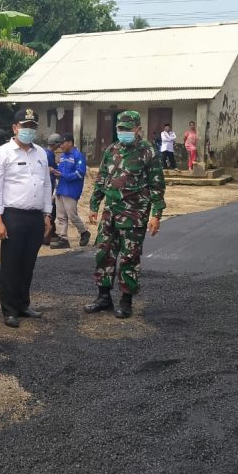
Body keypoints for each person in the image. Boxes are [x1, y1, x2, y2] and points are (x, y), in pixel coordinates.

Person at [84, 110, 166, 319]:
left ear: (138, 129)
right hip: (110, 213)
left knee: (129, 257)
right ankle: (103, 297)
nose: (124, 132)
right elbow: (102, 178)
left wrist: (156, 214)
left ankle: (126, 301)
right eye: (120, 129)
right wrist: (94, 205)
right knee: (104, 254)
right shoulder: (111, 150)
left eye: (128, 129)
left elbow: (157, 185)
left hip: (134, 214)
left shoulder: (148, 151)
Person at [0, 108, 53, 328]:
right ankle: (9, 309)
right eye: (25, 126)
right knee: (11, 264)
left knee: (28, 263)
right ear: (15, 128)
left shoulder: (41, 153)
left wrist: (47, 214)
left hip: (35, 216)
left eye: (32, 127)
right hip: (12, 215)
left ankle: (23, 304)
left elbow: (46, 185)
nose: (28, 130)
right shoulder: (2, 154)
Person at [50, 132, 91, 249]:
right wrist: (55, 171)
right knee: (61, 216)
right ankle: (63, 238)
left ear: (70, 143)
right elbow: (61, 171)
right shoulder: (63, 157)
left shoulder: (78, 156)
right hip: (61, 189)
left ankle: (84, 232)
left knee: (72, 215)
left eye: (62, 143)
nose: (61, 146)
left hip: (71, 191)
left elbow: (80, 173)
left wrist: (63, 174)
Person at [45, 132, 62, 244]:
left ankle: (52, 230)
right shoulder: (49, 154)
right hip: (49, 185)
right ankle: (48, 232)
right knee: (51, 207)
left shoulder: (45, 152)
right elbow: (53, 169)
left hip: (49, 183)